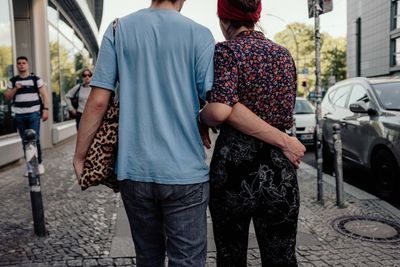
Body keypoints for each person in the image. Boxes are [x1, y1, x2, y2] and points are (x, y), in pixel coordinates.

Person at [73, 1, 215, 266]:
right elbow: (212, 103)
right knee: (188, 261)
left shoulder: (118, 29)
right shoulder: (199, 34)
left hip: (135, 170)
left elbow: (98, 101)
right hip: (184, 172)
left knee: (147, 259)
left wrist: (81, 155)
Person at [199, 0, 304, 265]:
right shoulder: (284, 54)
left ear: (224, 20)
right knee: (281, 257)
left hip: (234, 170)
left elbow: (220, 110)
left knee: (231, 256)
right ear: (256, 16)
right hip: (280, 168)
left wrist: (201, 116)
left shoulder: (225, 51)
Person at [4, 56, 49, 176]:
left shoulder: (35, 79)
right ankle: (30, 166)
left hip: (34, 113)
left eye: (24, 63)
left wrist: (46, 109)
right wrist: (15, 89)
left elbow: (45, 95)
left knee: (35, 139)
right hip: (19, 115)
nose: (21, 65)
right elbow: (7, 97)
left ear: (27, 64)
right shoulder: (13, 81)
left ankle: (39, 164)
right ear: (17, 65)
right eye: (19, 63)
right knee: (25, 141)